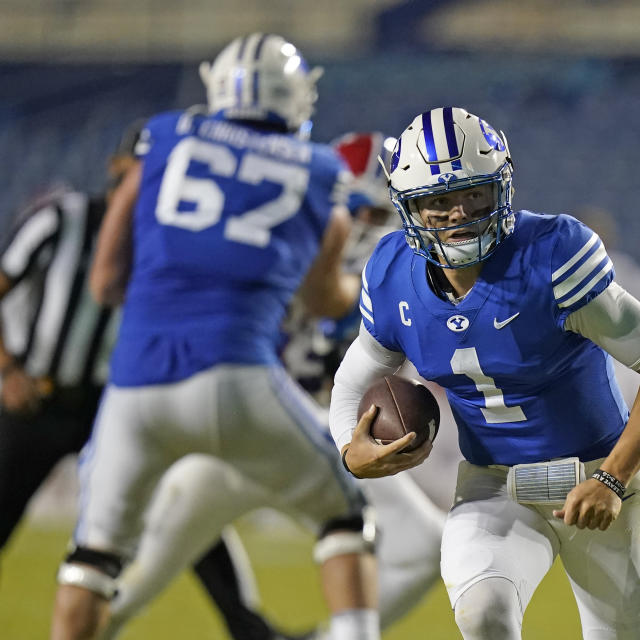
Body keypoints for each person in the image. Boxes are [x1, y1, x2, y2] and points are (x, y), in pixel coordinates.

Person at [49, 34, 380, 640]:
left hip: (136, 386)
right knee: (344, 518)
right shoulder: (320, 171)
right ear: (296, 96)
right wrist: (373, 284)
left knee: (92, 561)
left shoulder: (165, 140)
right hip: (239, 377)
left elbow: (104, 281)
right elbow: (322, 298)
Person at [328, 107, 640, 640]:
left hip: (597, 477)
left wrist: (613, 477)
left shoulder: (551, 255)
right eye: (439, 201)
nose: (458, 213)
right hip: (493, 486)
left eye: (473, 194)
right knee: (485, 618)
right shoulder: (390, 274)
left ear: (500, 189)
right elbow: (355, 374)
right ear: (409, 208)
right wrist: (348, 445)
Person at [102, 132, 446, 638]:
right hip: (239, 440)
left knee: (424, 546)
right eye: (371, 216)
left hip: (315, 447)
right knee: (127, 588)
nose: (383, 231)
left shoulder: (396, 284)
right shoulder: (271, 256)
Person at [0, 125, 306, 640]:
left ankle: (249, 629)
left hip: (115, 402)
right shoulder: (63, 218)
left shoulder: (172, 246)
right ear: (116, 172)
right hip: (41, 399)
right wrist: (7, 370)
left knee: (185, 503)